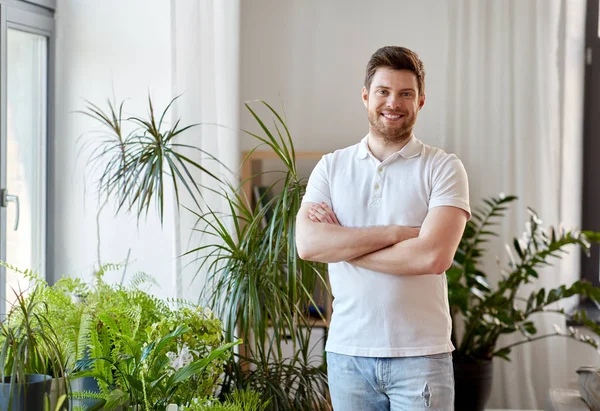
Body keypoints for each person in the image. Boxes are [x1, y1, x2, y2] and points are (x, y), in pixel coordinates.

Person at [295, 46, 470, 411]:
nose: (394, 102)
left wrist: (345, 246)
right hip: (348, 354)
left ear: (421, 101)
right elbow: (309, 245)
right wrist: (396, 234)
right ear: (365, 97)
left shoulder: (444, 168)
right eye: (383, 92)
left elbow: (434, 255)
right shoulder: (331, 167)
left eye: (406, 93)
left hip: (421, 355)